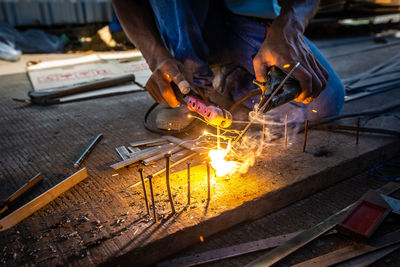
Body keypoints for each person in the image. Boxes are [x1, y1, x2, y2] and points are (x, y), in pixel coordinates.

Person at [113, 0, 345, 130]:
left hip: (245, 17)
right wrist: (157, 56)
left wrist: (288, 27)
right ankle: (194, 85)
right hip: (182, 19)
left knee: (320, 104)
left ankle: (227, 77)